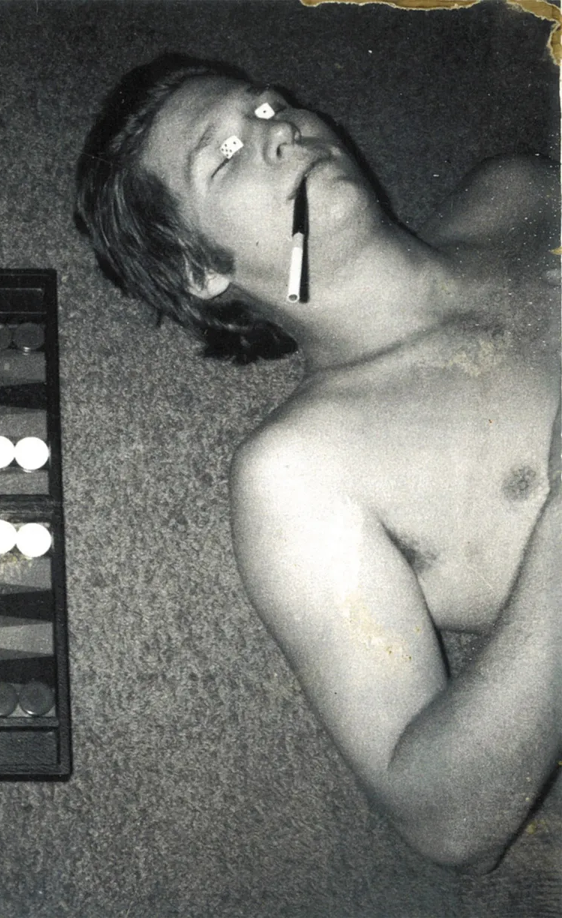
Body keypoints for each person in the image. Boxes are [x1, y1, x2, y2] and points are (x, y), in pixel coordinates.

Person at [75, 54, 560, 874]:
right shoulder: (300, 472)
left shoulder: (513, 190)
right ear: (202, 269)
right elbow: (445, 821)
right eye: (224, 155)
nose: (278, 133)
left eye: (268, 108)